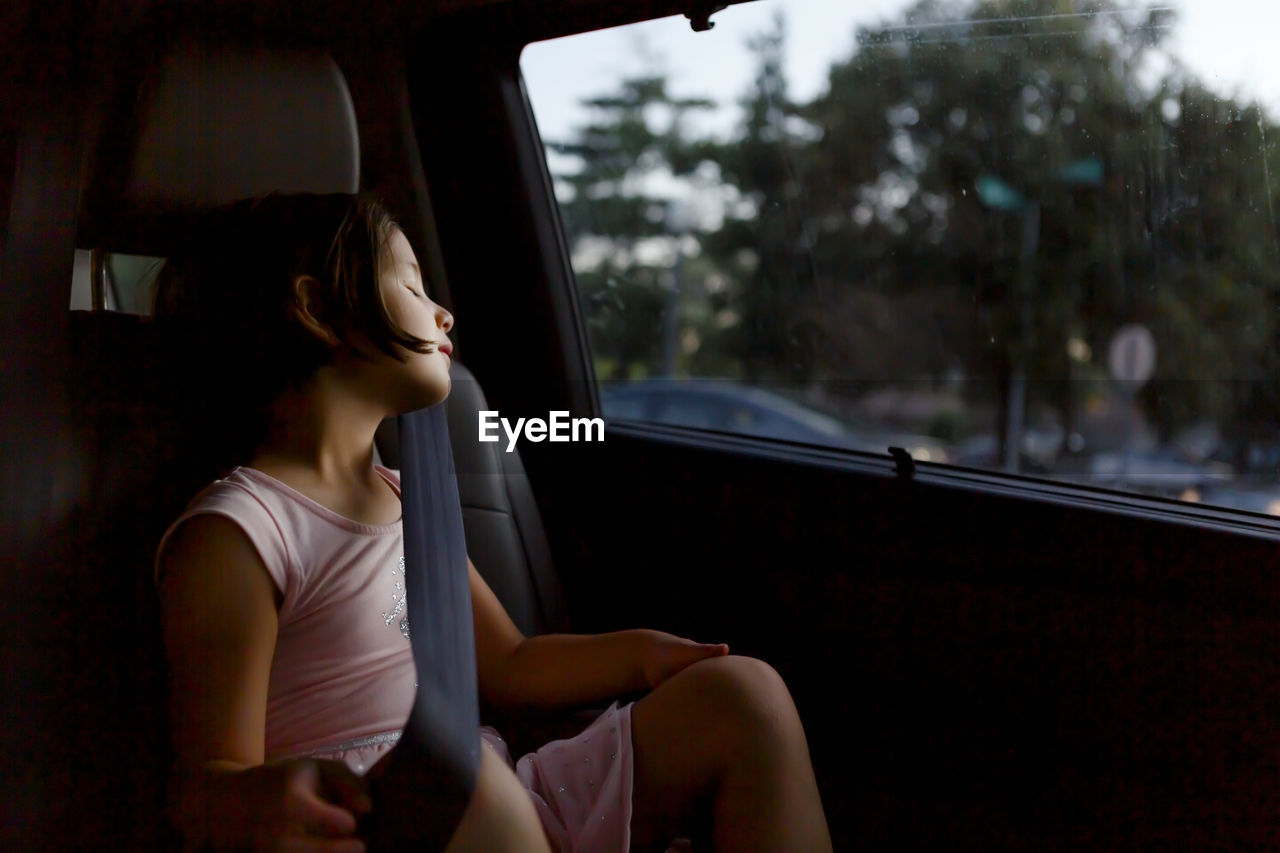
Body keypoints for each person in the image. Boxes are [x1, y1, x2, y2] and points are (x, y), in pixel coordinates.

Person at [151, 192, 833, 852]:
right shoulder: (240, 533)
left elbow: (507, 661)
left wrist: (641, 652)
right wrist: (260, 804)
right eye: (414, 288)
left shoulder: (404, 496)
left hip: (493, 794)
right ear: (316, 309)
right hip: (378, 824)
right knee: (469, 786)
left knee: (744, 694)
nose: (444, 314)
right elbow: (202, 784)